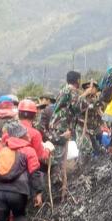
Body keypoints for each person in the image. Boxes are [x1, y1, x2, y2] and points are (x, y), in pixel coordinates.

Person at [47, 71, 82, 199]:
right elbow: (77, 107)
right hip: (61, 126)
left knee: (58, 155)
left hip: (56, 124)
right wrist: (86, 95)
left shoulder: (64, 89)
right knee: (59, 157)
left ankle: (59, 185)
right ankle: (58, 187)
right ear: (77, 80)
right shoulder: (72, 91)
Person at [77, 81, 105, 156]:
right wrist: (85, 95)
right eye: (87, 88)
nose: (89, 89)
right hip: (83, 129)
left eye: (92, 87)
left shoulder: (97, 100)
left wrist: (106, 125)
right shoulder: (81, 99)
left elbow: (100, 112)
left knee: (98, 149)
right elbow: (77, 106)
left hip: (95, 129)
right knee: (86, 149)